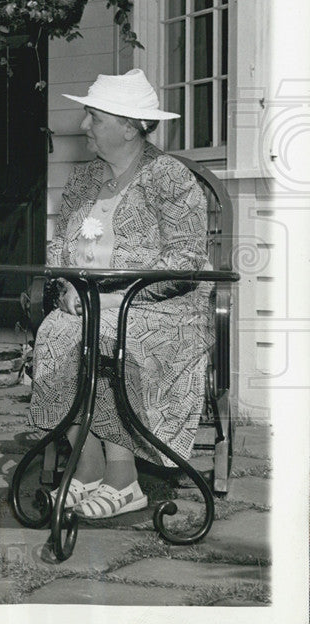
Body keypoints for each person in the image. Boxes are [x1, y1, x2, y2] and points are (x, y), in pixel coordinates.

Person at [31, 69, 212, 519]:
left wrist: (115, 299)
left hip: (164, 310)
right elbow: (59, 249)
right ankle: (87, 470)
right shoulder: (84, 180)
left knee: (107, 334)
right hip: (91, 304)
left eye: (94, 117)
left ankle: (124, 480)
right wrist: (69, 287)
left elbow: (186, 261)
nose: (84, 126)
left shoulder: (169, 178)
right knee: (56, 332)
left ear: (130, 127)